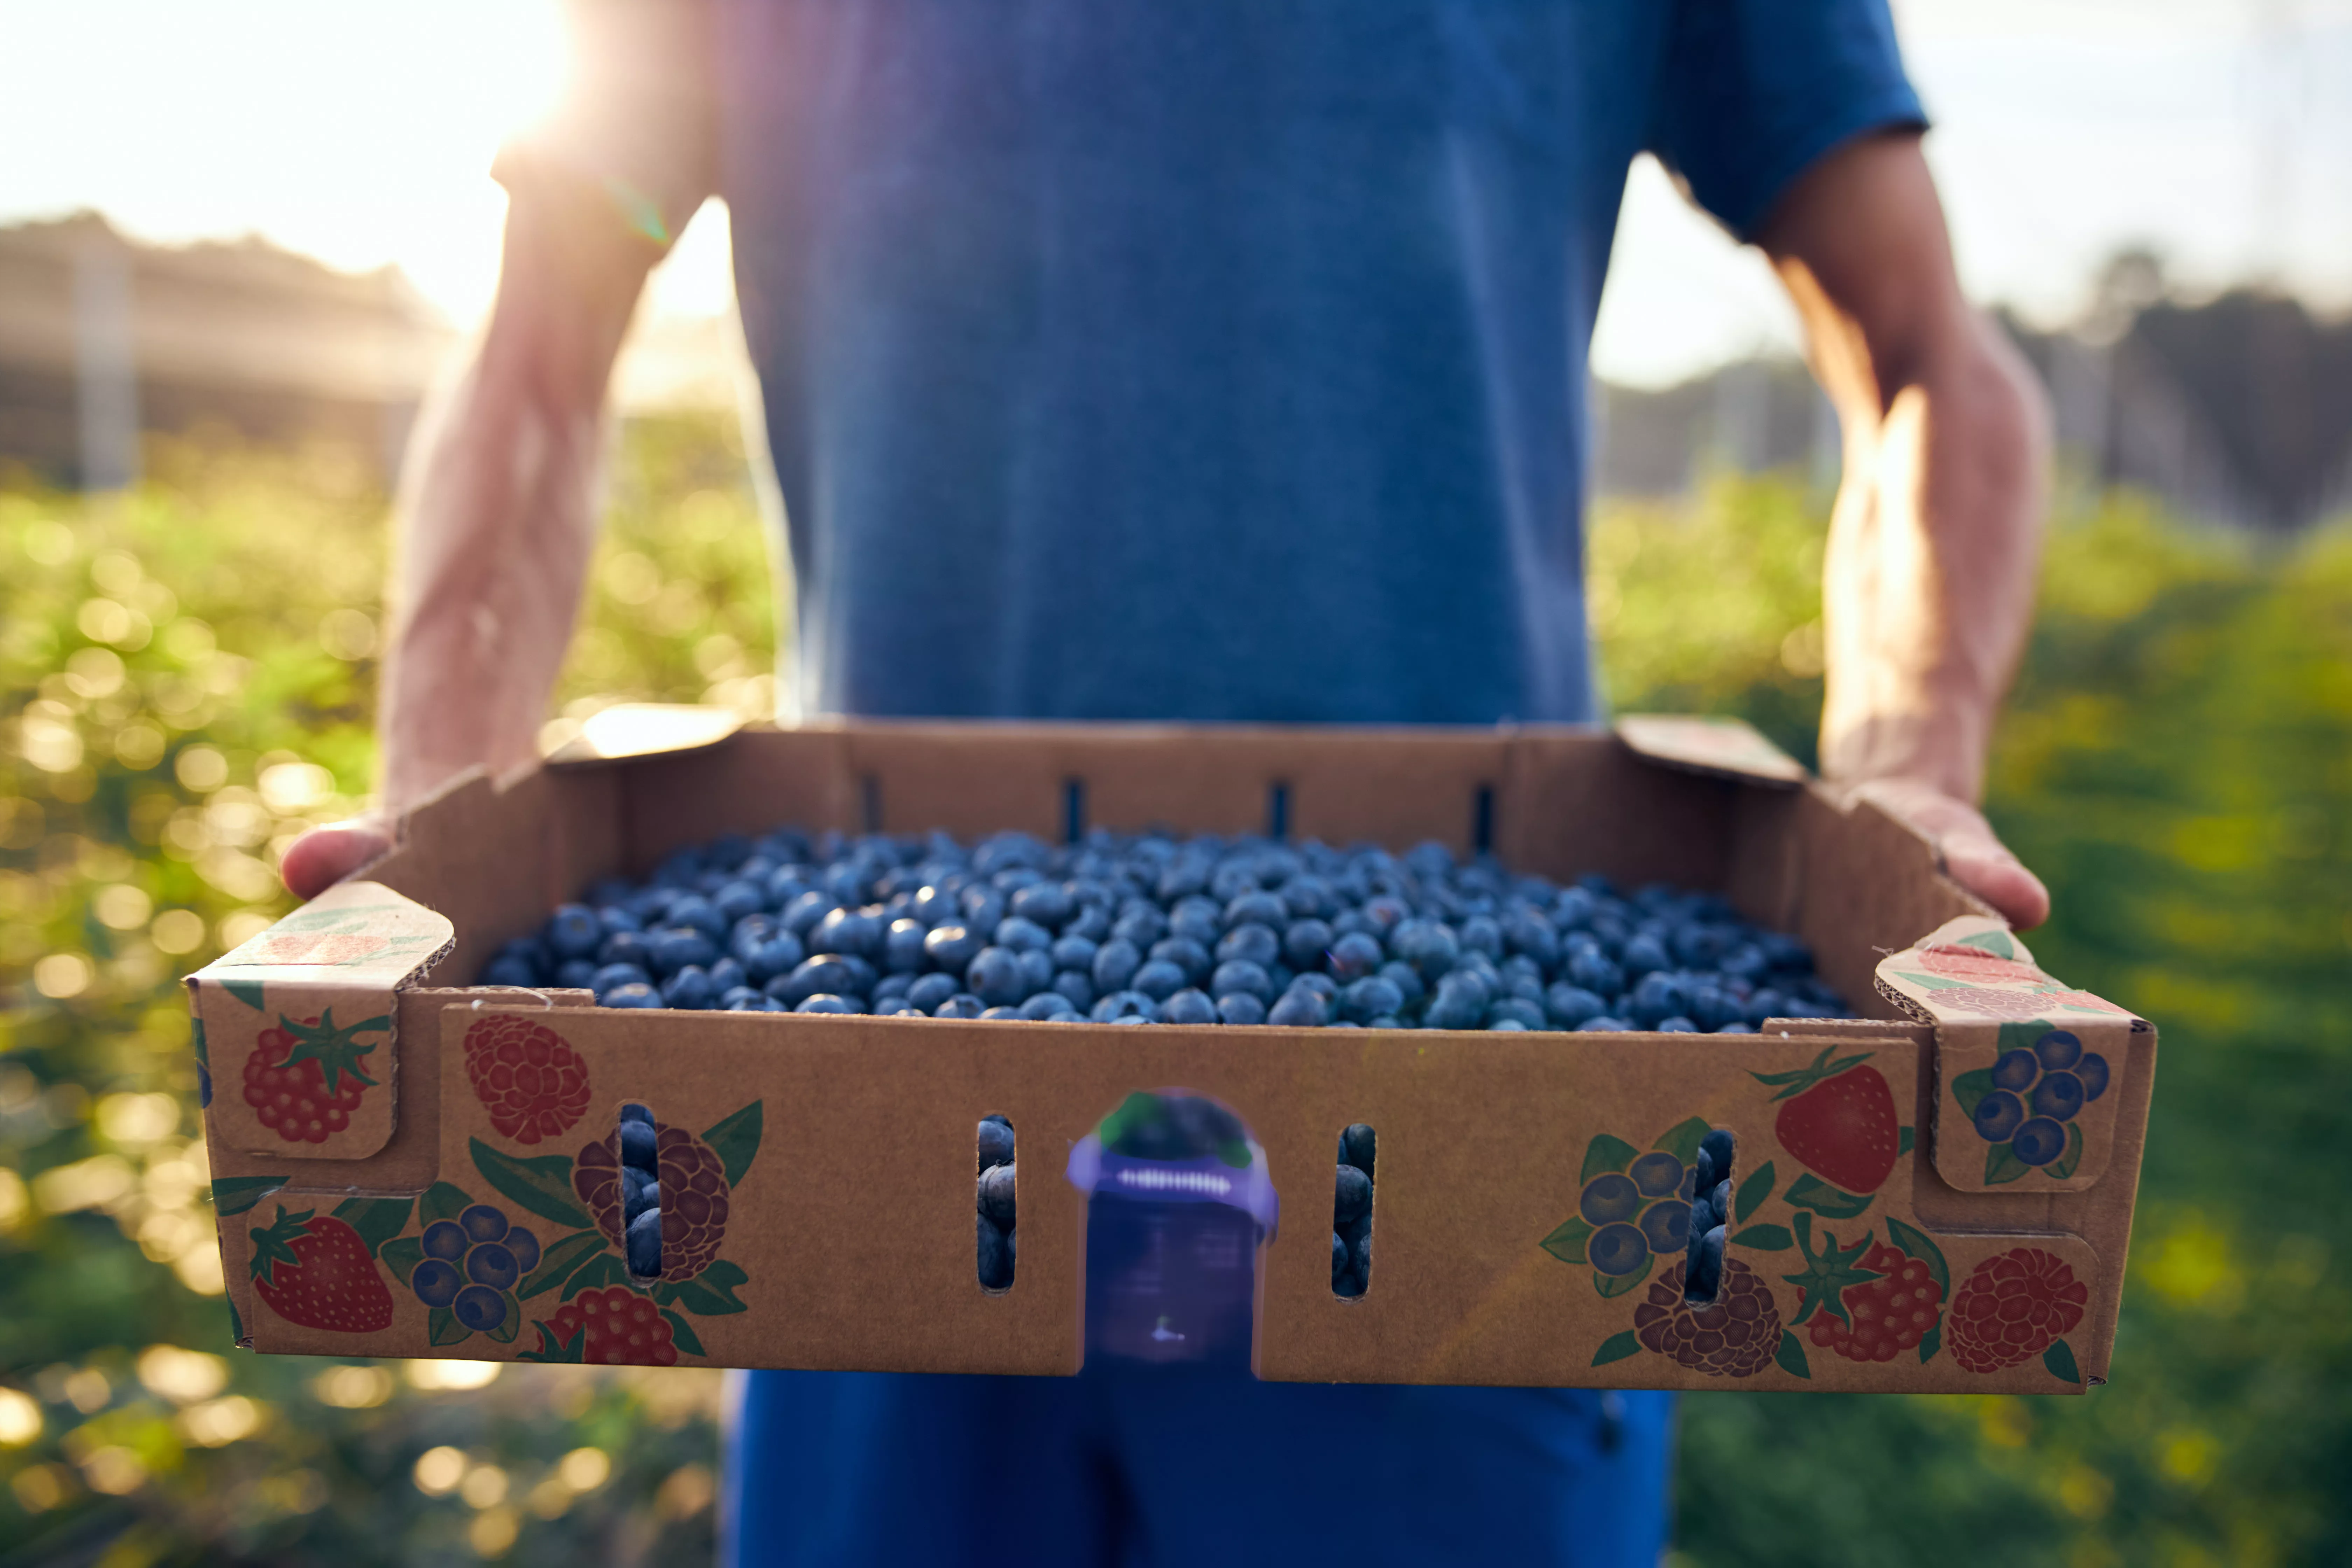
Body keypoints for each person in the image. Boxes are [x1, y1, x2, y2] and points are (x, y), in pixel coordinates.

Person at [287, 1, 2051, 1561]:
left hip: (1466, 1154)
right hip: (863, 1137)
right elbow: (531, 367)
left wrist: (1906, 768)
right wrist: (442, 795)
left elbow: (1923, 351)